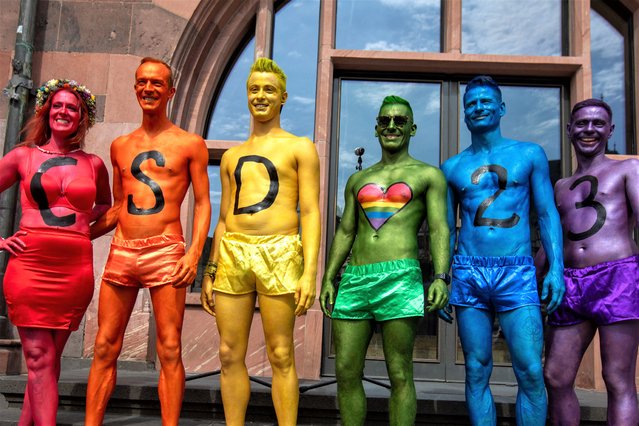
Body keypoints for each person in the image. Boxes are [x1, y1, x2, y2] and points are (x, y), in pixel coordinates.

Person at [85, 57, 210, 426]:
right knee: (104, 346)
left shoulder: (190, 143)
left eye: (156, 83)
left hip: (166, 250)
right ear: (135, 86)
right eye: (142, 82)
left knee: (169, 347)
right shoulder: (120, 146)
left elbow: (203, 203)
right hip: (122, 250)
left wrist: (196, 253)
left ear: (170, 91)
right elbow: (119, 207)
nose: (148, 88)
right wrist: (77, 233)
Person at [200, 58, 320, 426]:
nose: (261, 96)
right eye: (254, 89)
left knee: (281, 352)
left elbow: (311, 212)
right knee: (227, 352)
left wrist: (308, 273)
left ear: (283, 97)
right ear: (247, 96)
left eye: (269, 89)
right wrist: (211, 267)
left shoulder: (301, 147)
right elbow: (223, 219)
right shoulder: (231, 156)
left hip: (280, 250)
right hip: (234, 251)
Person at [441, 75, 564, 425]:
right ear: (464, 114)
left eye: (484, 101)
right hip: (469, 270)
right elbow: (448, 229)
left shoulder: (529, 154)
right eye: (471, 104)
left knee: (529, 370)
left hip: (516, 269)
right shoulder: (452, 167)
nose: (478, 107)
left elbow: (546, 213)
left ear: (501, 107)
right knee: (476, 370)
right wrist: (443, 277)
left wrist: (556, 267)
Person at [319, 95, 450, 426]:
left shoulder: (428, 175)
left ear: (413, 128)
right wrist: (329, 278)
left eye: (400, 121)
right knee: (346, 371)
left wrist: (440, 276)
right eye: (385, 121)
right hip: (355, 277)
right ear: (377, 128)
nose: (392, 126)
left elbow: (438, 229)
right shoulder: (358, 180)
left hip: (400, 277)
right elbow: (346, 231)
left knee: (399, 372)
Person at [0, 79, 111, 425]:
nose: (64, 112)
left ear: (82, 118)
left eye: (72, 108)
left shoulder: (93, 163)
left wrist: (82, 228)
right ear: (47, 111)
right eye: (58, 106)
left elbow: (107, 203)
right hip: (29, 266)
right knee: (38, 357)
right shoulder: (23, 155)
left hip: (73, 271)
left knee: (46, 361)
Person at [540, 99, 639, 426]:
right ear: (569, 130)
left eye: (598, 123)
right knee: (556, 376)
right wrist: (527, 276)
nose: (589, 129)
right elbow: (554, 244)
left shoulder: (627, 168)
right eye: (581, 123)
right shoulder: (560, 185)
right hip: (570, 283)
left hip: (618, 277)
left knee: (617, 378)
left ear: (610, 130)